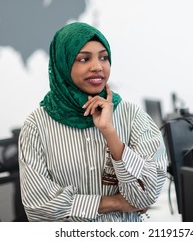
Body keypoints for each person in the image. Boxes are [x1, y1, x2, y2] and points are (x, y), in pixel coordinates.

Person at [18, 22, 167, 222]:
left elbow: (146, 195)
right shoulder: (36, 126)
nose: (97, 67)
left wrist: (110, 133)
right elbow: (39, 208)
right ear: (63, 63)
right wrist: (113, 202)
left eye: (104, 57)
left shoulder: (132, 116)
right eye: (83, 59)